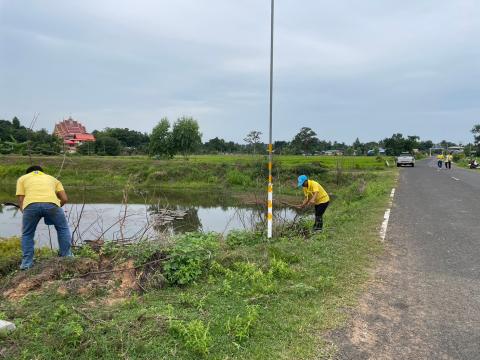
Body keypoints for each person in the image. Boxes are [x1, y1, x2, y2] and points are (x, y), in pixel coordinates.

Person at [16, 165, 72, 270]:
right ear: (42, 172)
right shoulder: (53, 179)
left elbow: (21, 199)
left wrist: (24, 211)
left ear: (28, 173)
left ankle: (26, 264)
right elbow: (64, 198)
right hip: (52, 204)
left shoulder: (22, 179)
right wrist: (55, 208)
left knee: (27, 234)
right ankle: (67, 257)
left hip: (30, 206)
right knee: (63, 229)